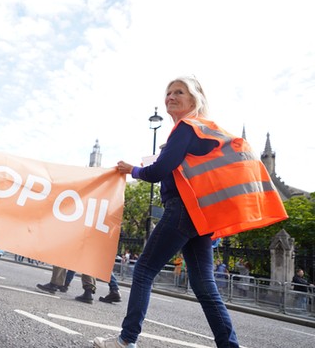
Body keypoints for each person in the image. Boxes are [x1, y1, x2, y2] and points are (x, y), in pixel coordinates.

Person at [95, 76, 286, 348]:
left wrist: (132, 170)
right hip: (200, 217)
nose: (170, 97)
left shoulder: (186, 127)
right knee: (204, 285)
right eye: (168, 92)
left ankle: (126, 340)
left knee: (144, 271)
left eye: (179, 92)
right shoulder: (202, 130)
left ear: (194, 100)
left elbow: (158, 172)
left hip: (182, 210)